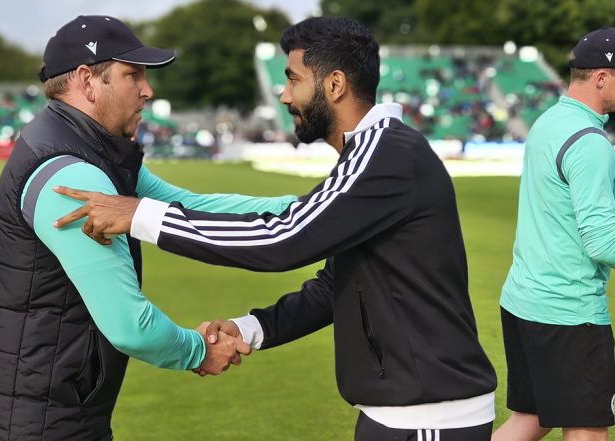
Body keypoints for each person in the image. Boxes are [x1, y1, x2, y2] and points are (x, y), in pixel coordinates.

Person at [54, 17, 497, 440]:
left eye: (293, 79)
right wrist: (250, 329)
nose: (284, 96)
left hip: (428, 415)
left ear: (335, 85)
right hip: (405, 410)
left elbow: (281, 239)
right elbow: (334, 286)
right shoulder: (372, 154)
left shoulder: (384, 156)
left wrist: (140, 216)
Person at [0, 15, 294, 441]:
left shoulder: (86, 150)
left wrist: (305, 207)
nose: (148, 90)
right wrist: (198, 350)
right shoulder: (75, 175)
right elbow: (130, 324)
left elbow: (191, 207)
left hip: (35, 412)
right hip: (33, 423)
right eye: (132, 75)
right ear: (86, 81)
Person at [492, 27, 615, 441]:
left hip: (523, 301)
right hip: (569, 311)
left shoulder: (549, 120)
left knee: (531, 419)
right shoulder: (591, 140)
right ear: (602, 77)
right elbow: (601, 240)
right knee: (588, 430)